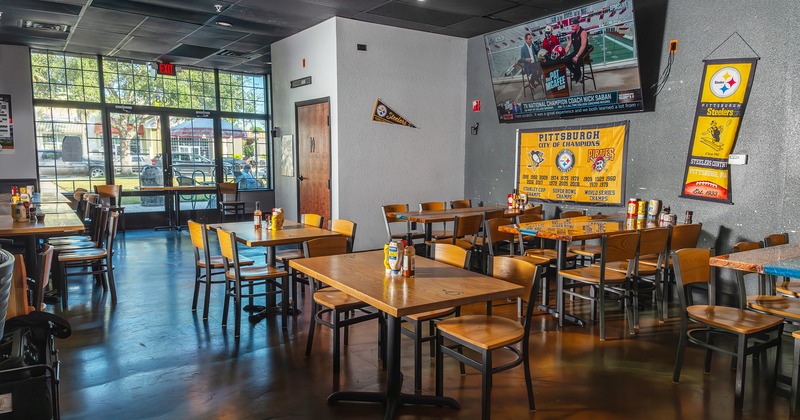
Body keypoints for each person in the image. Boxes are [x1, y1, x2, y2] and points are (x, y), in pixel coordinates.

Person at [564, 17, 589, 83]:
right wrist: (564, 53)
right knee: (565, 60)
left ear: (578, 25)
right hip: (576, 52)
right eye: (571, 26)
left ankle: (578, 75)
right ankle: (577, 73)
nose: (572, 28)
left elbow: (583, 46)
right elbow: (569, 45)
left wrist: (577, 56)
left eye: (573, 26)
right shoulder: (572, 34)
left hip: (583, 52)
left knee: (575, 60)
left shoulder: (583, 32)